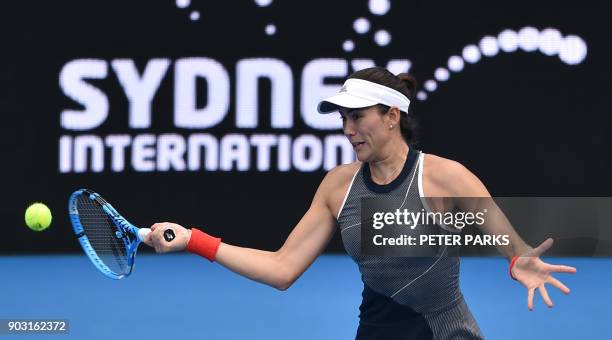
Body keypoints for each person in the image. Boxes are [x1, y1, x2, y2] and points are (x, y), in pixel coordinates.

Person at [144, 67, 577, 339]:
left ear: (392, 116)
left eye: (358, 116)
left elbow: (500, 234)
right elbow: (282, 269)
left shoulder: (443, 177)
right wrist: (193, 240)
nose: (348, 129)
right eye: (343, 119)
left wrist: (519, 259)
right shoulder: (338, 187)